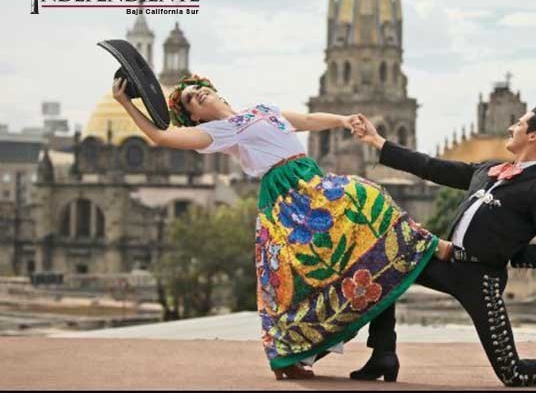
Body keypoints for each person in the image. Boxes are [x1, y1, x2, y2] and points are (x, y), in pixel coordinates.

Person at [112, 74, 454, 381]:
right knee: (288, 280)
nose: (197, 94)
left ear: (214, 90)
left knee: (365, 197)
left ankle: (424, 248)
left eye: (199, 89)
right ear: (194, 117)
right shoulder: (217, 132)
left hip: (309, 177)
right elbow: (160, 136)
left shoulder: (262, 110)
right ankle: (295, 354)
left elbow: (306, 120)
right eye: (189, 99)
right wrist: (125, 102)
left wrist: (342, 119)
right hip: (284, 196)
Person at [350, 107, 536, 386]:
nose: (511, 127)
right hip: (447, 262)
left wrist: (498, 253)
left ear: (533, 136)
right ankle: (383, 353)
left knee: (512, 373)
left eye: (519, 124)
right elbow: (432, 167)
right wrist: (378, 142)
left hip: (481, 280)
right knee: (385, 263)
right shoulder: (489, 171)